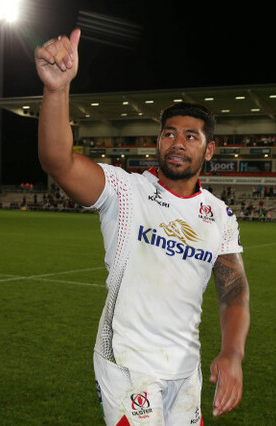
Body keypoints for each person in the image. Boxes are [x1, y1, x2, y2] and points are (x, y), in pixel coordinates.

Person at [35, 28, 250, 425]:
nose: (177, 143)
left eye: (190, 136)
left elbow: (233, 290)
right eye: (169, 133)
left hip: (185, 370)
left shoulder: (219, 215)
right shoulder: (125, 190)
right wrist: (56, 89)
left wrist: (233, 353)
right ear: (158, 141)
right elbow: (58, 162)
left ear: (210, 150)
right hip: (127, 364)